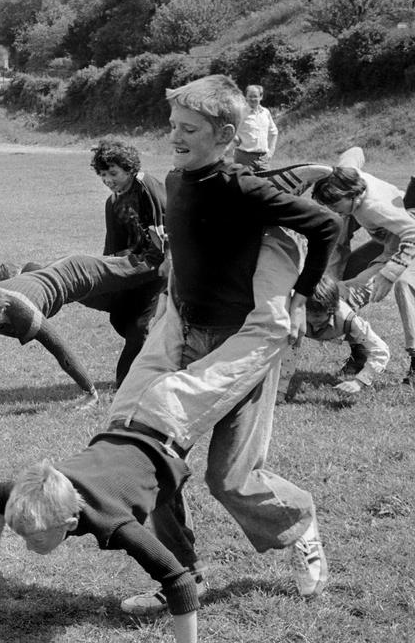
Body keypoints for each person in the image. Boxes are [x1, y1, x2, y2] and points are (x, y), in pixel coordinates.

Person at [107, 74, 340, 614]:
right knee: (154, 460)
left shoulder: (243, 188)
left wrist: (300, 299)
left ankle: (298, 522)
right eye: (173, 127)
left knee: (229, 477)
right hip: (185, 336)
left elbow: (325, 225)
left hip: (241, 350)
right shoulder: (176, 179)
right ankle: (182, 575)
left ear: (227, 133)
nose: (176, 137)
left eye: (189, 129)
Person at [0, 437, 199, 643]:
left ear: (70, 524)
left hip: (168, 440)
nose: (29, 548)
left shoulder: (115, 525)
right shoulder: (41, 496)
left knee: (225, 486)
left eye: (37, 540)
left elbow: (179, 582)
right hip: (123, 434)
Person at [0, 249, 166, 421]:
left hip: (78, 273)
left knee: (136, 270)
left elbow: (61, 351)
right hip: (53, 279)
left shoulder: (22, 312)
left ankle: (170, 253)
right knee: (124, 299)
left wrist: (90, 394)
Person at [311, 154, 415, 384]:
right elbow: (356, 150)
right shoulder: (346, 174)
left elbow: (412, 233)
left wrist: (388, 275)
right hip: (390, 238)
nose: (333, 210)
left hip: (407, 240)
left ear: (353, 195)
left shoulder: (374, 208)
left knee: (403, 285)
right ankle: (360, 353)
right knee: (342, 282)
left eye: (335, 205)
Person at [87, 138, 168, 387]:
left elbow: (165, 225)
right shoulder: (112, 203)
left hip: (157, 267)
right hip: (131, 268)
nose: (108, 180)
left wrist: (168, 261)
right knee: (121, 320)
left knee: (139, 326)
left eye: (113, 173)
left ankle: (126, 383)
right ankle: (153, 361)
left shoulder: (145, 184)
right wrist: (107, 272)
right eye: (103, 174)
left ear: (129, 168)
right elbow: (112, 245)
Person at [301, 276, 390, 394]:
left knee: (375, 277)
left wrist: (359, 382)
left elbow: (381, 350)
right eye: (306, 314)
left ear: (331, 310)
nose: (311, 319)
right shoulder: (293, 313)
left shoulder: (349, 320)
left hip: (351, 294)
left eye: (317, 316)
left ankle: (359, 355)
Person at [232, 84, 277, 172]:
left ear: (261, 97)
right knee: (244, 185)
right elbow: (229, 129)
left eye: (255, 96)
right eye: (250, 96)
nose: (252, 99)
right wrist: (235, 138)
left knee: (267, 184)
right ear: (246, 97)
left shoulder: (265, 112)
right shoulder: (240, 112)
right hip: (244, 159)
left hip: (263, 159)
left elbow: (274, 132)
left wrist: (271, 151)